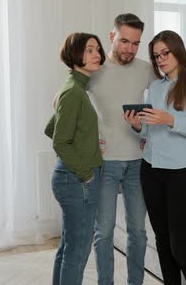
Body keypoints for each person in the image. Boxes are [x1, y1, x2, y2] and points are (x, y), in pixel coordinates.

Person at [123, 30, 186, 285]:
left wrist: (170, 119)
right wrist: (137, 125)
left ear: (177, 51)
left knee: (180, 246)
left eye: (165, 53)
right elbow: (149, 130)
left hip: (181, 173)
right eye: (156, 56)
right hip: (150, 169)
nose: (160, 59)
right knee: (161, 240)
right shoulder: (155, 87)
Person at [89, 13, 155, 285]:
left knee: (138, 232)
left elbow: (172, 92)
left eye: (136, 43)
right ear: (112, 36)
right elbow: (64, 101)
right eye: (124, 41)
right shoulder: (95, 69)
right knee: (103, 233)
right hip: (106, 163)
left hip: (138, 163)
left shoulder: (146, 69)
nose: (130, 48)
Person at [45, 32, 105, 285]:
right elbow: (60, 142)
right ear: (75, 54)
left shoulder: (74, 88)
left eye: (98, 49)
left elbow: (51, 128)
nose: (97, 54)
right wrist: (88, 174)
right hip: (77, 180)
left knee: (70, 247)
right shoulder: (73, 92)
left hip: (73, 179)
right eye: (89, 49)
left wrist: (90, 143)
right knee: (78, 252)